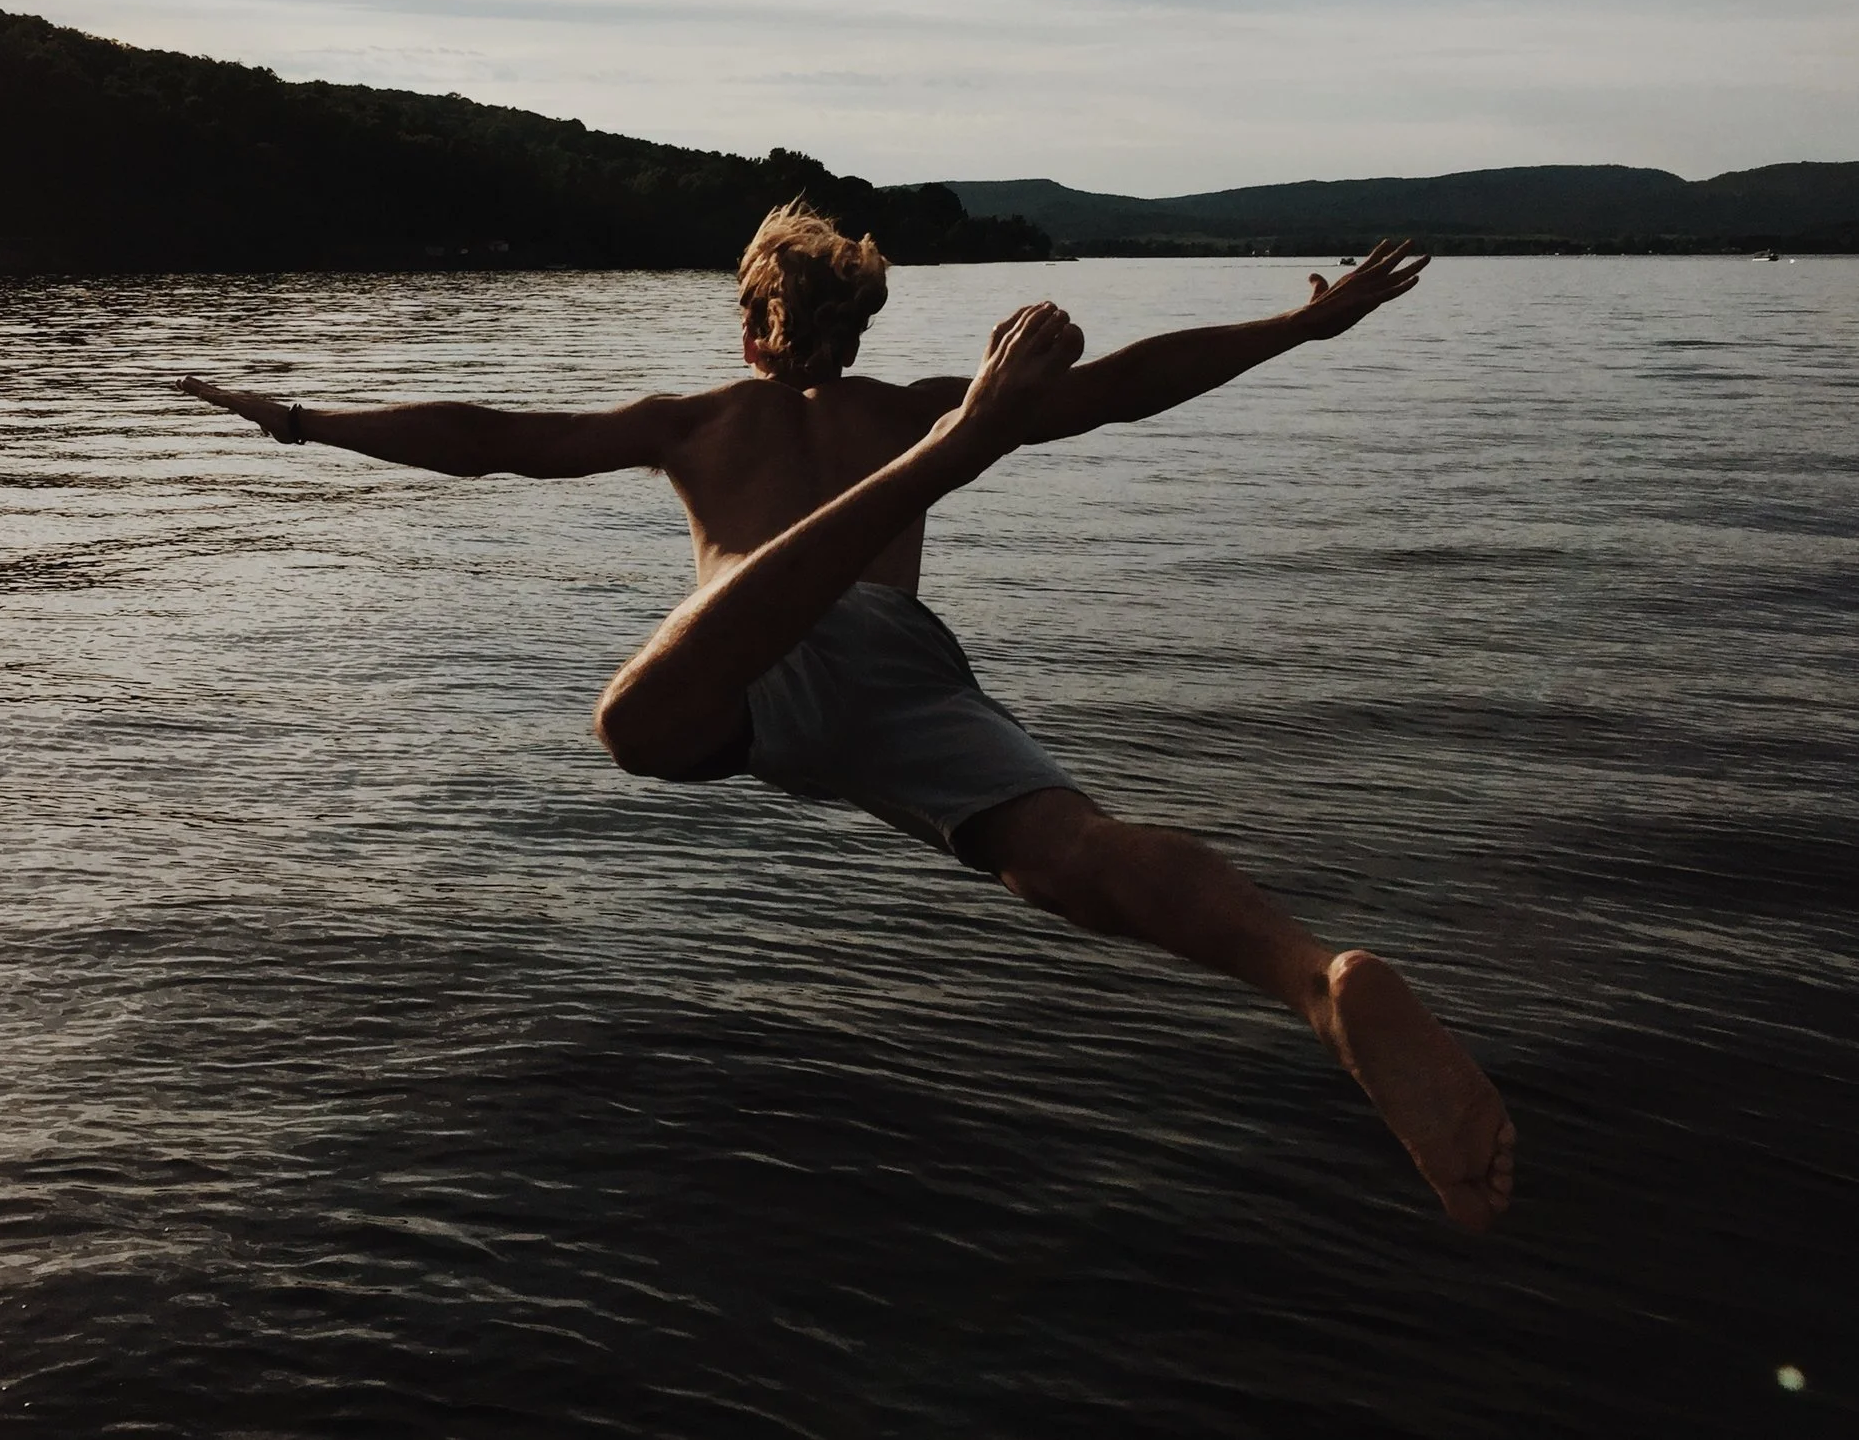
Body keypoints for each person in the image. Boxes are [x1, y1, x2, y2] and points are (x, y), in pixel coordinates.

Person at [180, 204, 1515, 1231]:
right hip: (906, 671)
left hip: (755, 657)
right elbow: (1129, 384)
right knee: (1072, 853)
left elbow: (489, 434)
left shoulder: (692, 420)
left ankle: (902, 497)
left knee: (634, 727)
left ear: (750, 329)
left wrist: (306, 419)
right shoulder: (900, 402)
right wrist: (1299, 326)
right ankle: (1313, 981)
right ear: (851, 330)